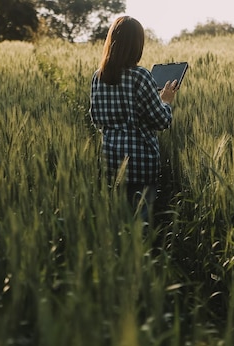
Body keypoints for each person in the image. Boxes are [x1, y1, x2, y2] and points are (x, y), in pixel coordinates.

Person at [90, 16, 178, 224]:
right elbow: (161, 121)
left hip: (110, 161)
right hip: (140, 164)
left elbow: (96, 119)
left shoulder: (98, 76)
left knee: (117, 224)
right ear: (137, 45)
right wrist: (165, 100)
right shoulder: (141, 76)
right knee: (141, 226)